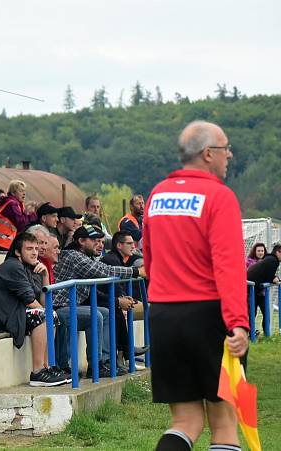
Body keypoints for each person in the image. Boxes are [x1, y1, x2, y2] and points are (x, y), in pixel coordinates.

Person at [143, 120, 249, 451]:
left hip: (163, 316)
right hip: (209, 316)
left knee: (185, 422)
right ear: (208, 154)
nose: (229, 155)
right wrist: (239, 324)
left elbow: (148, 262)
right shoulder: (220, 197)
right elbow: (229, 267)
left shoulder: (157, 195)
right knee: (224, 423)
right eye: (225, 148)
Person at [0, 233, 69, 387]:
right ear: (18, 252)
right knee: (41, 315)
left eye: (36, 248)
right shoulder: (13, 266)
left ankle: (46, 368)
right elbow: (31, 302)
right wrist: (47, 313)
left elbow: (43, 302)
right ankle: (38, 372)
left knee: (49, 314)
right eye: (29, 249)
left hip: (9, 314)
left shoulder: (27, 268)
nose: (34, 252)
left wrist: (45, 276)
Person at [53, 224, 141, 377]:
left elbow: (100, 272)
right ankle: (94, 366)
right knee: (96, 315)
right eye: (94, 240)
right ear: (81, 241)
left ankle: (103, 362)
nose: (99, 245)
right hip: (58, 306)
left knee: (105, 312)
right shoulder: (74, 256)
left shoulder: (85, 256)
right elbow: (104, 271)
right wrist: (136, 271)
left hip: (72, 305)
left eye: (101, 241)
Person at [98, 231, 149, 367]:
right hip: (100, 299)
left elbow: (119, 286)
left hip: (108, 299)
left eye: (133, 243)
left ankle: (125, 353)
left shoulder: (118, 258)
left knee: (120, 308)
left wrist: (124, 298)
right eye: (129, 243)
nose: (133, 246)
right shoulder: (111, 259)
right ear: (119, 245)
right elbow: (114, 284)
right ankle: (126, 351)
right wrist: (122, 299)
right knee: (117, 309)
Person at [247, 243, 281, 325]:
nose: (260, 252)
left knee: (266, 313)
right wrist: (274, 279)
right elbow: (269, 278)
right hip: (251, 290)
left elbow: (268, 275)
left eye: (262, 251)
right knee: (252, 313)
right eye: (258, 251)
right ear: (277, 252)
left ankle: (265, 333)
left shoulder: (268, 259)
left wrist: (275, 278)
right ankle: (250, 334)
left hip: (260, 292)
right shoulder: (272, 260)